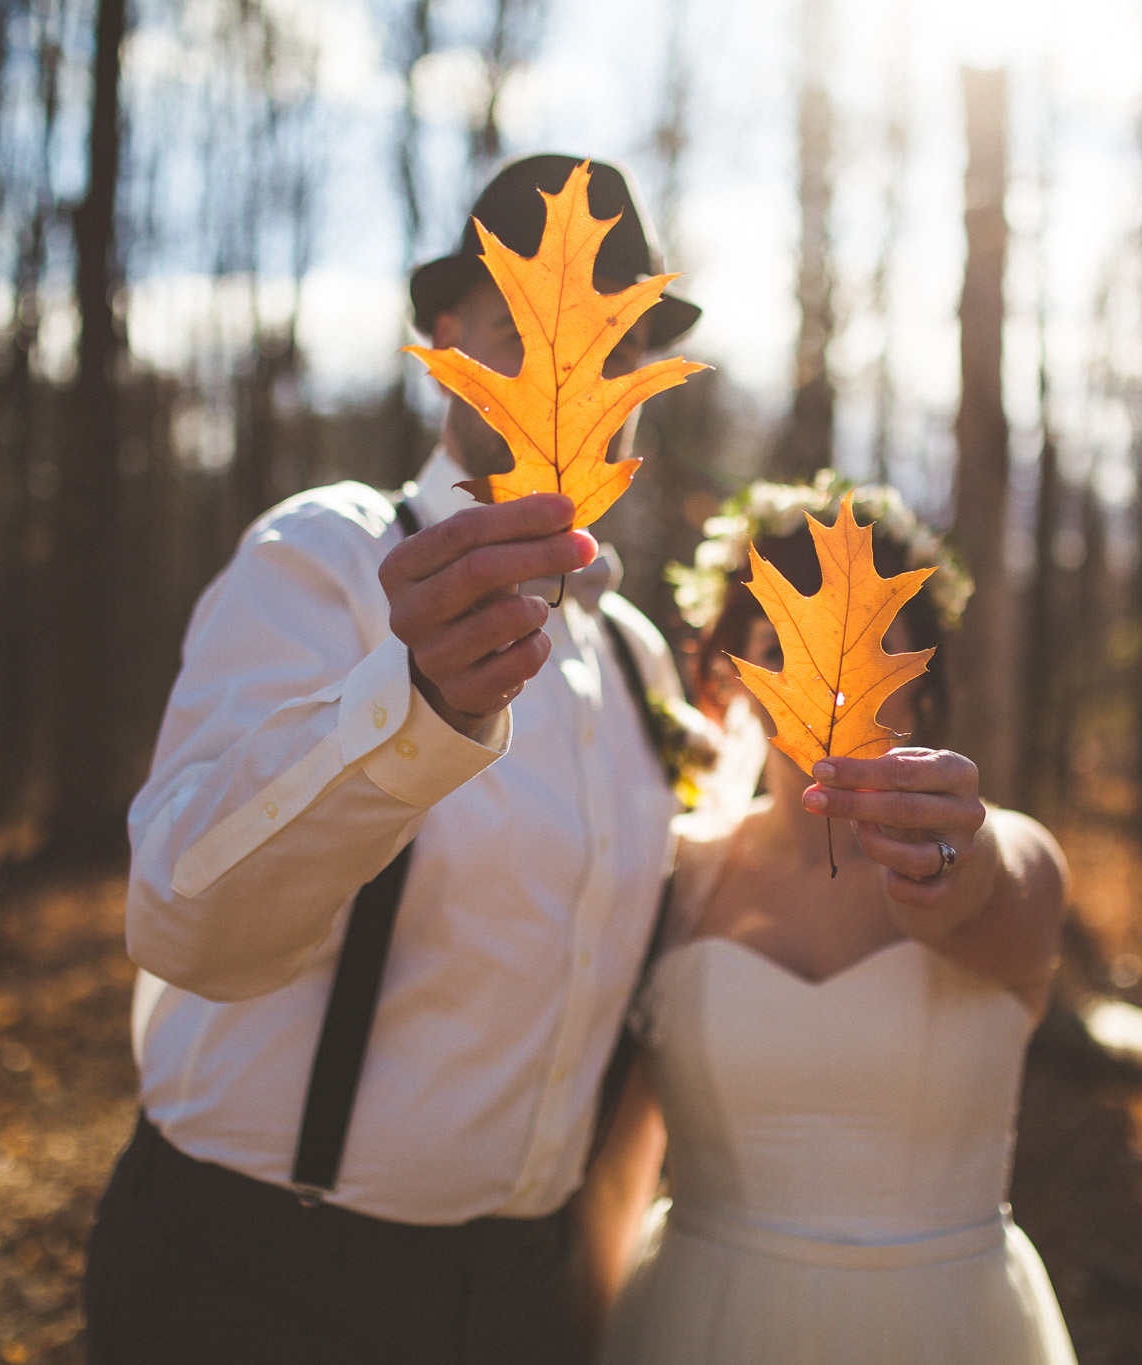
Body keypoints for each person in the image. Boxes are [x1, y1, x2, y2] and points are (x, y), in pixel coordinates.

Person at [85, 155, 706, 1365]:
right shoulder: (324, 556)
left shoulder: (640, 662)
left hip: (524, 1304)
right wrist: (412, 704)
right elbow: (183, 922)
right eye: (525, 324)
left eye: (616, 341)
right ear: (445, 336)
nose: (578, 365)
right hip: (263, 1290)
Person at [585, 477, 1079, 1365]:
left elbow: (991, 907)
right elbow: (620, 1173)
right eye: (782, 645)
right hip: (699, 1326)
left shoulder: (1011, 853)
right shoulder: (672, 872)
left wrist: (944, 865)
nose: (830, 685)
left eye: (868, 647)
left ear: (923, 687)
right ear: (728, 680)